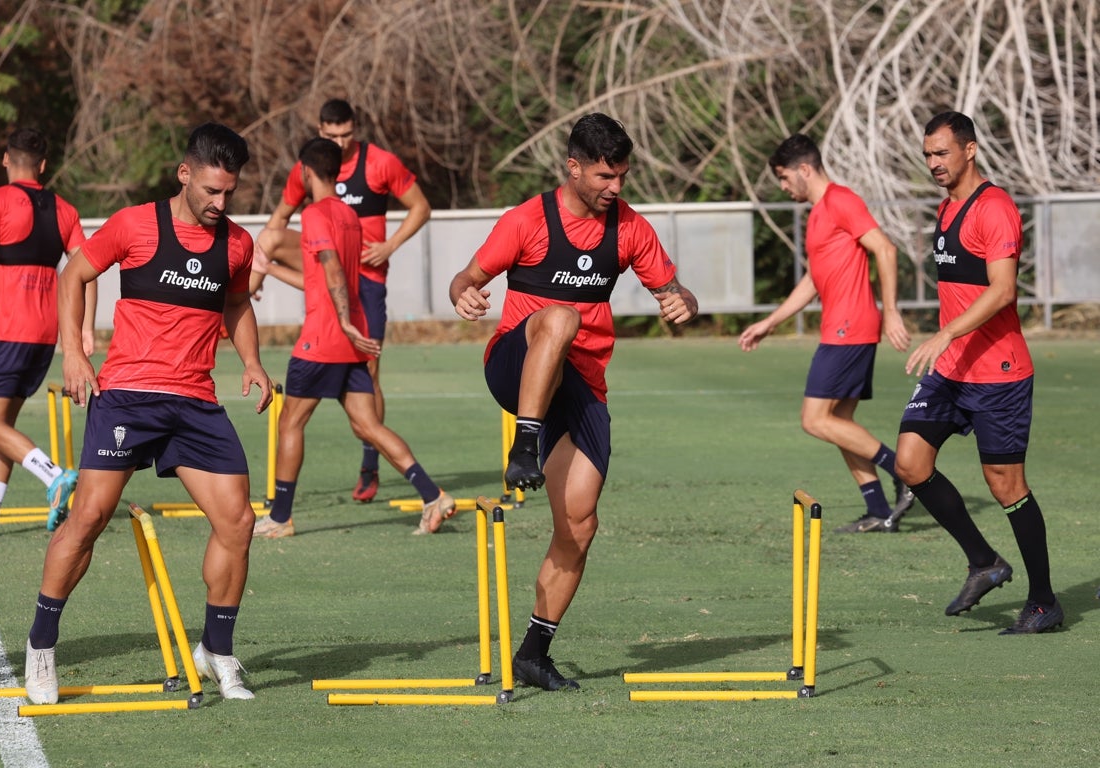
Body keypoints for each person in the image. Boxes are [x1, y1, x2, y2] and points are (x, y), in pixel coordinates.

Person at [22, 123, 275, 704]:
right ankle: (40, 646)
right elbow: (75, 274)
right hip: (129, 397)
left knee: (237, 522)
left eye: (229, 193)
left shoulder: (235, 243)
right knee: (87, 519)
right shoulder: (134, 225)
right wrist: (76, 353)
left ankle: (217, 650)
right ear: (184, 174)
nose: (220, 203)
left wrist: (255, 363)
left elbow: (235, 301)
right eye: (211, 190)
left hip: (195, 402)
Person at [449, 113, 698, 691]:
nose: (615, 188)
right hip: (516, 365)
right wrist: (465, 296)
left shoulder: (629, 227)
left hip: (581, 383)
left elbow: (670, 287)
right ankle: (526, 442)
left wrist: (682, 302)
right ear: (574, 168)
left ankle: (534, 653)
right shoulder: (527, 221)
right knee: (559, 316)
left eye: (623, 176)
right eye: (606, 176)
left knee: (579, 524)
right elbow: (465, 278)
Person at [896, 111, 1061, 634]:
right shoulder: (945, 210)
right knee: (910, 462)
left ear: (969, 150)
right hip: (952, 370)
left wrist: (945, 332)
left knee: (1005, 484)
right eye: (927, 155)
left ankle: (1043, 602)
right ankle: (984, 562)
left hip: (999, 372)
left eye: (941, 153)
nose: (933, 164)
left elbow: (1002, 291)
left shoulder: (996, 209)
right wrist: (947, 342)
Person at [252, 138, 455, 539]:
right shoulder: (349, 216)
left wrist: (343, 320)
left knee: (291, 422)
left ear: (306, 173)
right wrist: (271, 269)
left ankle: (280, 518)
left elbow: (331, 272)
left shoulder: (313, 215)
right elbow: (320, 282)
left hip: (324, 339)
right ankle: (434, 496)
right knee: (367, 425)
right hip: (351, 340)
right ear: (338, 172)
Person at [739, 134, 915, 533]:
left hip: (850, 328)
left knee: (814, 419)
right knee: (839, 422)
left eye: (784, 178)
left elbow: (885, 249)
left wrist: (892, 313)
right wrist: (769, 323)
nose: (783, 188)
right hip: (841, 329)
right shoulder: (817, 214)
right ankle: (878, 510)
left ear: (805, 169)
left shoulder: (841, 201)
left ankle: (903, 471)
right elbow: (813, 281)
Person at [0, 128, 93, 538]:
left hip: (7, 334)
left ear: (6, 159)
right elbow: (88, 271)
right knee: (3, 427)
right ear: (43, 166)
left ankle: (53, 474)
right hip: (45, 337)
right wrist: (85, 332)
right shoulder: (66, 210)